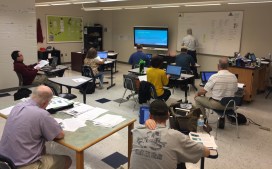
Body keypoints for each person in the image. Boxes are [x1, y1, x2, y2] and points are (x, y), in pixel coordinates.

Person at [0, 85, 72, 169]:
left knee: (41, 145)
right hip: (23, 165)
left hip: (4, 160)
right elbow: (60, 135)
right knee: (67, 160)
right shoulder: (42, 114)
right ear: (45, 103)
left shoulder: (17, 106)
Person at [130, 100, 210, 169]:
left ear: (150, 116)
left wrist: (146, 123)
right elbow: (206, 152)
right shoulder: (176, 136)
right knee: (179, 159)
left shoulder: (136, 131)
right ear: (168, 115)